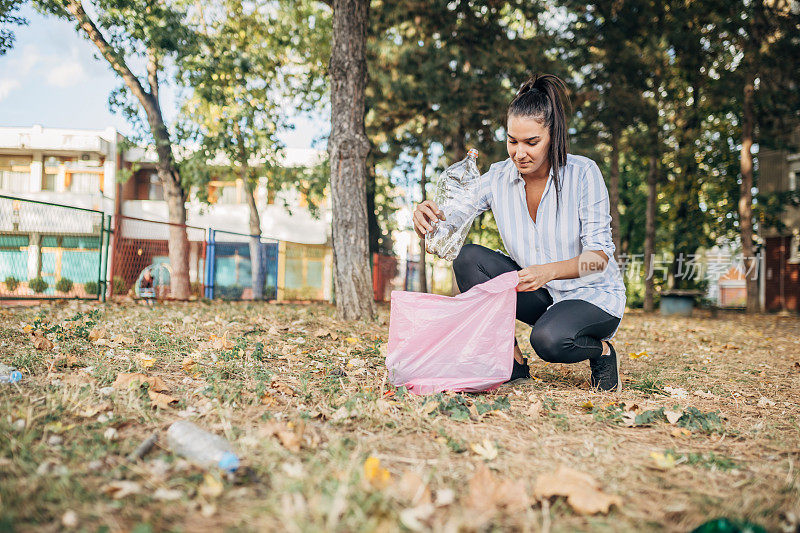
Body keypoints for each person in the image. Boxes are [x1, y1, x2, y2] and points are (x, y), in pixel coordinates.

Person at [412, 73, 626, 392]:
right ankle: (512, 359)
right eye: (512, 140)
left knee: (550, 341)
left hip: (592, 295)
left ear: (553, 136)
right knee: (469, 258)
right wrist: (427, 218)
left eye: (531, 142)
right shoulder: (497, 177)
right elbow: (449, 221)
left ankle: (602, 352)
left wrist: (547, 272)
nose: (519, 153)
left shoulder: (583, 174)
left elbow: (598, 259)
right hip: (538, 293)